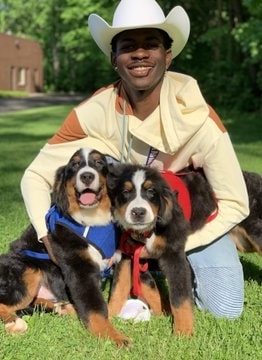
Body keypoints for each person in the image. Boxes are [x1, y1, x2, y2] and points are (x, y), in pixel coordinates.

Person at [21, 0, 249, 319]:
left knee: (225, 309)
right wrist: (46, 238)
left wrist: (176, 242)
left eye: (151, 44)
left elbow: (236, 203)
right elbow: (34, 176)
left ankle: (158, 263)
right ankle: (133, 267)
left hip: (189, 219)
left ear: (167, 56)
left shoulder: (201, 117)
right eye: (128, 46)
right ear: (114, 59)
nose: (140, 53)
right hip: (123, 218)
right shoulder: (93, 113)